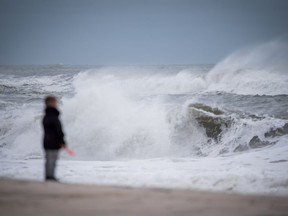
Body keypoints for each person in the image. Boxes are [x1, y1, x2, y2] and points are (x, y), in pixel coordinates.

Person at [42, 96, 66, 181]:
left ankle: (49, 176)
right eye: (54, 102)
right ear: (50, 103)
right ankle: (50, 177)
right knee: (51, 160)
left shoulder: (46, 116)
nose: (56, 103)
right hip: (52, 141)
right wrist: (62, 141)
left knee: (50, 159)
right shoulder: (52, 116)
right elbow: (58, 130)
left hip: (47, 141)